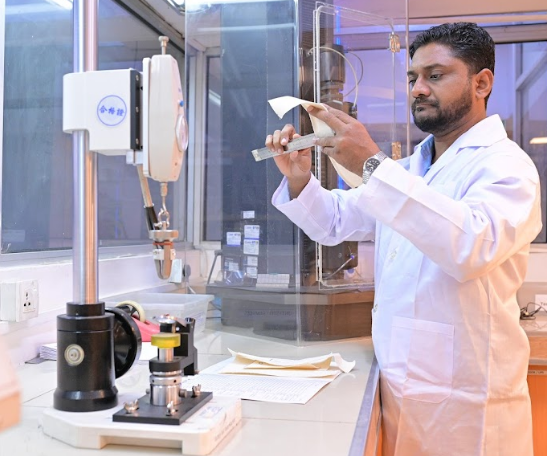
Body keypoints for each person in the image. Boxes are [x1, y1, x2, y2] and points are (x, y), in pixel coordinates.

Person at [265, 22, 542, 456]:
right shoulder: (413, 167)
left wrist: (372, 164)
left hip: (468, 406)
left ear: (482, 83)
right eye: (413, 77)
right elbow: (337, 221)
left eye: (436, 75)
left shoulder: (507, 166)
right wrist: (300, 178)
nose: (418, 89)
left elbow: (470, 247)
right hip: (402, 385)